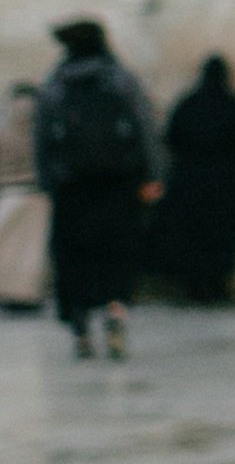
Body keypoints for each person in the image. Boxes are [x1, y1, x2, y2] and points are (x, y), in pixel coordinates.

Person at [34, 19, 162, 361]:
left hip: (70, 185)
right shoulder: (121, 78)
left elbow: (42, 137)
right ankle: (115, 313)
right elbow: (145, 128)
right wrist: (151, 175)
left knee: (73, 254)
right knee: (116, 252)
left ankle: (79, 328)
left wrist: (47, 181)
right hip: (117, 184)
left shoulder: (56, 82)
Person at [157, 55, 235, 305]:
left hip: (190, 182)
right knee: (221, 239)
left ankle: (194, 287)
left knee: (192, 237)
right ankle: (217, 286)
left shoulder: (189, 104)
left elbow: (171, 137)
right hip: (227, 185)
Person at [0, 81, 51, 312]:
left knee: (7, 250)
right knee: (32, 252)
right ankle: (28, 297)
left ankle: (7, 293)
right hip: (39, 194)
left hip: (9, 193)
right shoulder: (44, 128)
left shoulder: (5, 129)